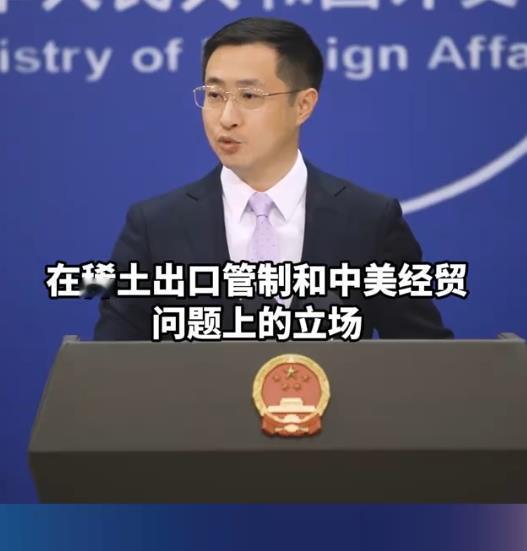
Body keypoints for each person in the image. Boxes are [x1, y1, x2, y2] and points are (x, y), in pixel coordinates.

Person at [94, 17, 453, 340]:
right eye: (215, 95)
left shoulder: (369, 221)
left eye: (249, 95)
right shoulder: (155, 226)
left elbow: (424, 363)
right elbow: (111, 368)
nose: (227, 117)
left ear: (303, 106)